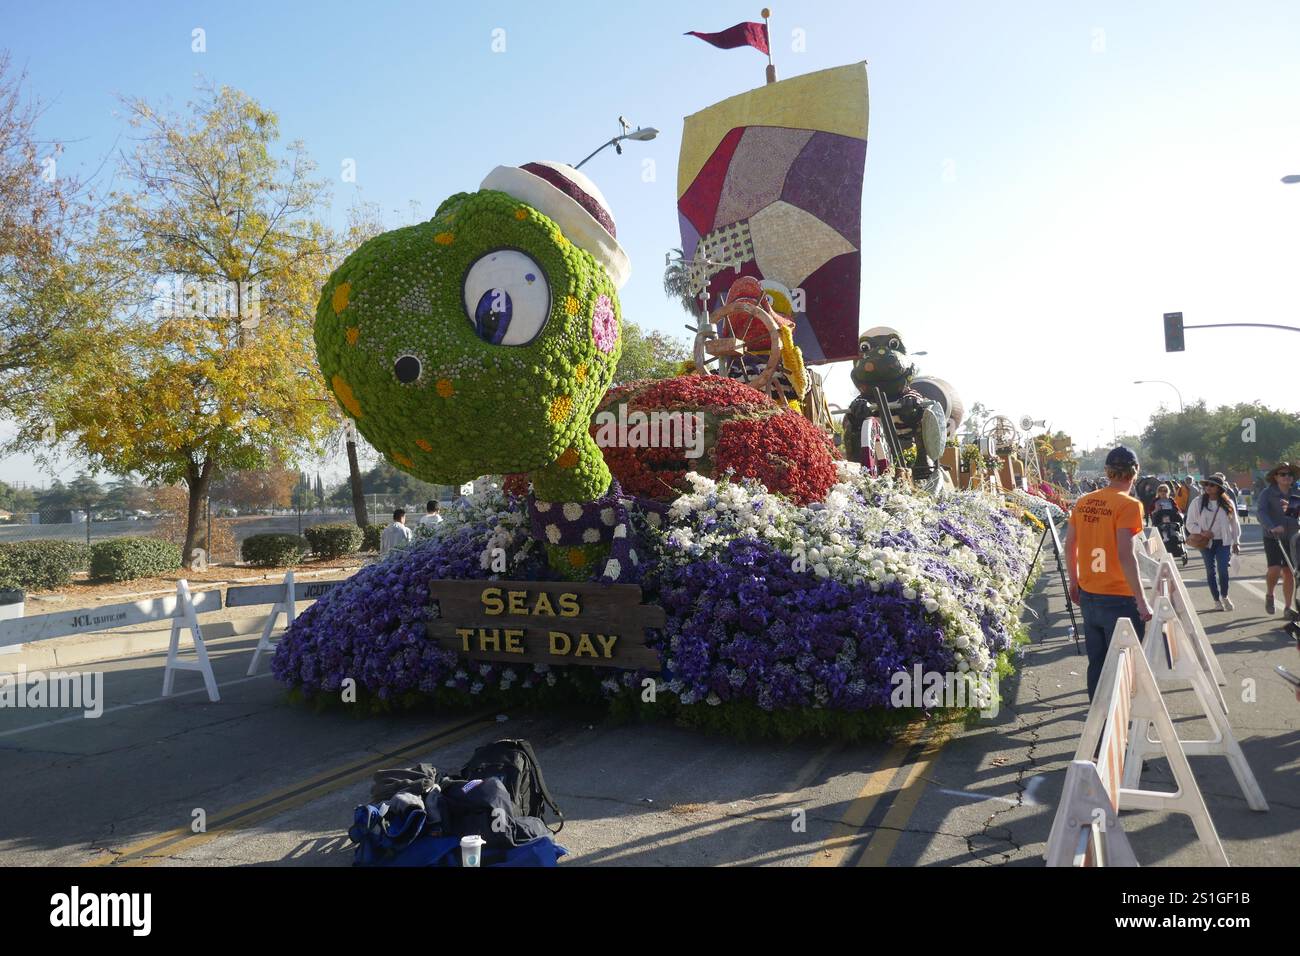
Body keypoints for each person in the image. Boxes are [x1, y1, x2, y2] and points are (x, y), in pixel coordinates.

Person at [1065, 445, 1152, 700]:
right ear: (1135, 473)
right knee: (1125, 664)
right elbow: (1126, 555)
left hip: (1089, 592)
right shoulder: (1129, 504)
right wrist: (1141, 599)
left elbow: (1070, 545)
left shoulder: (1083, 501)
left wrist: (1074, 581)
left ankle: (1099, 718)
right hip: (1118, 597)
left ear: (1107, 472)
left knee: (1098, 664)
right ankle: (1120, 725)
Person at [1185, 474, 1242, 611]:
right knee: (1210, 571)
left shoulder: (1228, 503)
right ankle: (1216, 600)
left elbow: (1235, 524)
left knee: (1223, 570)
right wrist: (1202, 531)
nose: (1208, 487)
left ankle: (1225, 596)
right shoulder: (1197, 502)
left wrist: (1236, 541)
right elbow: (1189, 524)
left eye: (1212, 485)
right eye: (1206, 485)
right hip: (1206, 542)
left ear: (1219, 488)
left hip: (1224, 542)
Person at [1256, 461, 1299, 620]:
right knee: (1274, 568)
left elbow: (1293, 516)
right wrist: (1272, 526)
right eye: (1283, 474)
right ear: (1276, 477)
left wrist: (1293, 509)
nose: (1287, 477)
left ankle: (1288, 607)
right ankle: (1270, 594)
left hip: (1293, 537)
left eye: (1289, 474)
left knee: (1289, 572)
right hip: (1273, 536)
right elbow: (1261, 512)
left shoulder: (1296, 492)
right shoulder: (1267, 493)